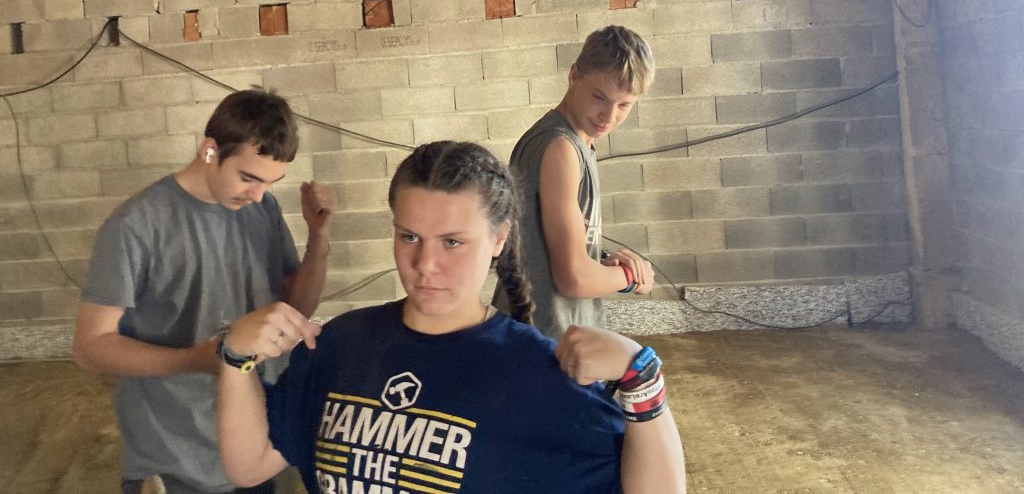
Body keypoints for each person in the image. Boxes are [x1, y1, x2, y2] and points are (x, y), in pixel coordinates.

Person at [217, 140, 686, 494]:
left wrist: (641, 377)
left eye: (453, 242)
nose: (426, 265)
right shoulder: (341, 346)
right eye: (409, 237)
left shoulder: (539, 376)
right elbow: (251, 464)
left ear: (498, 240)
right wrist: (235, 358)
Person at [72, 87, 336, 494]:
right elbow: (90, 346)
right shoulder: (136, 225)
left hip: (257, 441)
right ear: (210, 150)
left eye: (270, 183)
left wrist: (318, 238)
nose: (258, 194)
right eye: (248, 178)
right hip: (176, 453)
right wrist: (195, 359)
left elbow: (294, 308)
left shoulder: (262, 208)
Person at [494, 25, 657, 338]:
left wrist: (603, 262)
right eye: (599, 97)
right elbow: (573, 278)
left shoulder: (574, 143)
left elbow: (546, 249)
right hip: (546, 338)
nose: (609, 115)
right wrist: (633, 277)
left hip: (553, 333)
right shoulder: (560, 148)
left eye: (624, 105)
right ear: (574, 75)